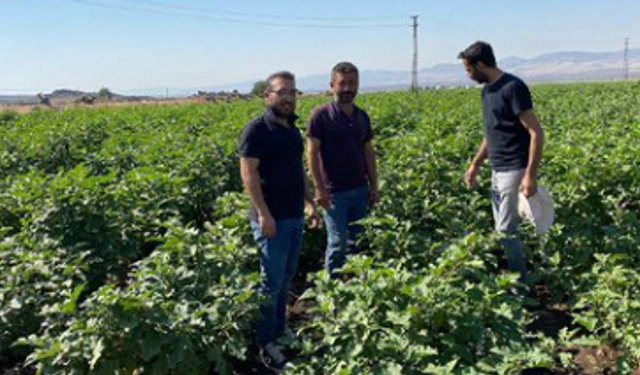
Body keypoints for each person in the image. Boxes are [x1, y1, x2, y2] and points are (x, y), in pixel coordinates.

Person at [238, 71, 320, 372]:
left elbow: (298, 171)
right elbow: (248, 174)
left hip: (294, 216)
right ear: (267, 96)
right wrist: (263, 213)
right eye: (282, 92)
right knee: (270, 284)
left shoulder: (291, 129)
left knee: (285, 279)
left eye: (292, 92)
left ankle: (280, 330)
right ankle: (265, 344)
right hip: (271, 219)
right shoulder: (255, 130)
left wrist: (310, 203)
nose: (288, 97)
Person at [459, 41, 545, 282]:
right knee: (505, 229)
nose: (468, 74)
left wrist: (530, 174)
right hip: (497, 170)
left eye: (468, 69)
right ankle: (524, 272)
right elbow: (491, 134)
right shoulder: (487, 91)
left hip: (514, 168)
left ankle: (520, 285)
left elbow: (536, 132)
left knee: (505, 231)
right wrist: (475, 164)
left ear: (481, 64)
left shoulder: (513, 87)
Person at [307, 62, 379, 277]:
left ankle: (355, 286)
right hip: (333, 193)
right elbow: (311, 154)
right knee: (337, 243)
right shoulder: (320, 115)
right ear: (332, 85)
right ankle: (333, 288)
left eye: (352, 83)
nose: (347, 88)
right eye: (342, 83)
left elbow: (368, 152)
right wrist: (319, 189)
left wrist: (374, 186)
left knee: (357, 241)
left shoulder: (361, 116)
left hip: (359, 189)